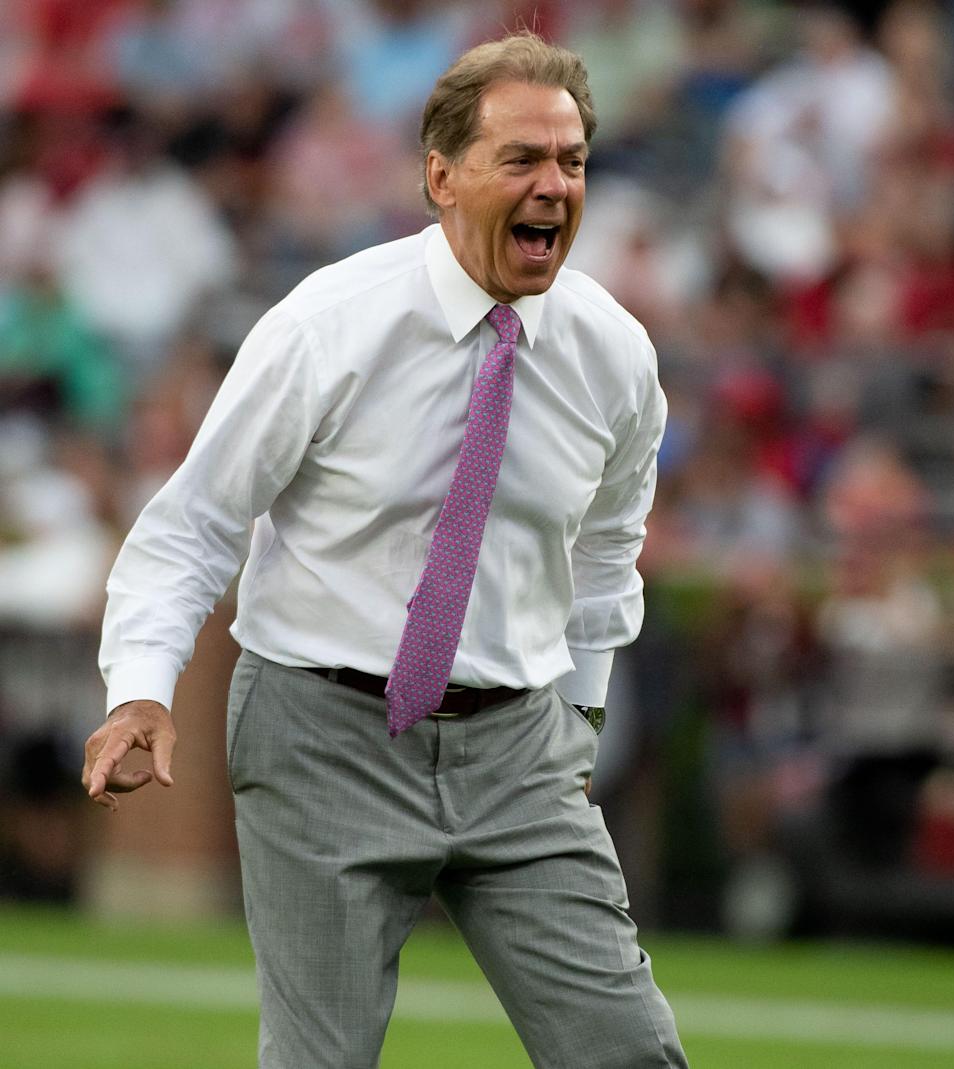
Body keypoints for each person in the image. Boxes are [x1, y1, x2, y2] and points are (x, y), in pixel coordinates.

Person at [81, 32, 687, 1069]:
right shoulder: (327, 326)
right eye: (523, 161)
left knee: (628, 1053)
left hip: (521, 752)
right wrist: (141, 688)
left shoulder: (616, 354)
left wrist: (578, 722)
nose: (554, 186)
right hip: (320, 734)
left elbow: (605, 554)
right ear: (441, 177)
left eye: (572, 162)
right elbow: (194, 525)